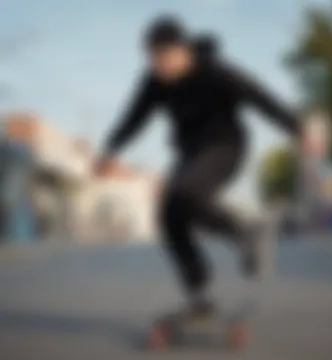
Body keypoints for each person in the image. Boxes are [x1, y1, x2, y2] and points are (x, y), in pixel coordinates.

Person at [96, 16, 299, 317]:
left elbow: (259, 96)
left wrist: (298, 128)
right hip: (190, 154)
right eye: (153, 59)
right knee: (170, 214)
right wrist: (110, 150)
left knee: (187, 191)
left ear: (183, 51)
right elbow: (133, 117)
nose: (159, 67)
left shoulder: (215, 72)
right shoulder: (154, 82)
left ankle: (245, 234)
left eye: (164, 58)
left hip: (226, 147)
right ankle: (199, 295)